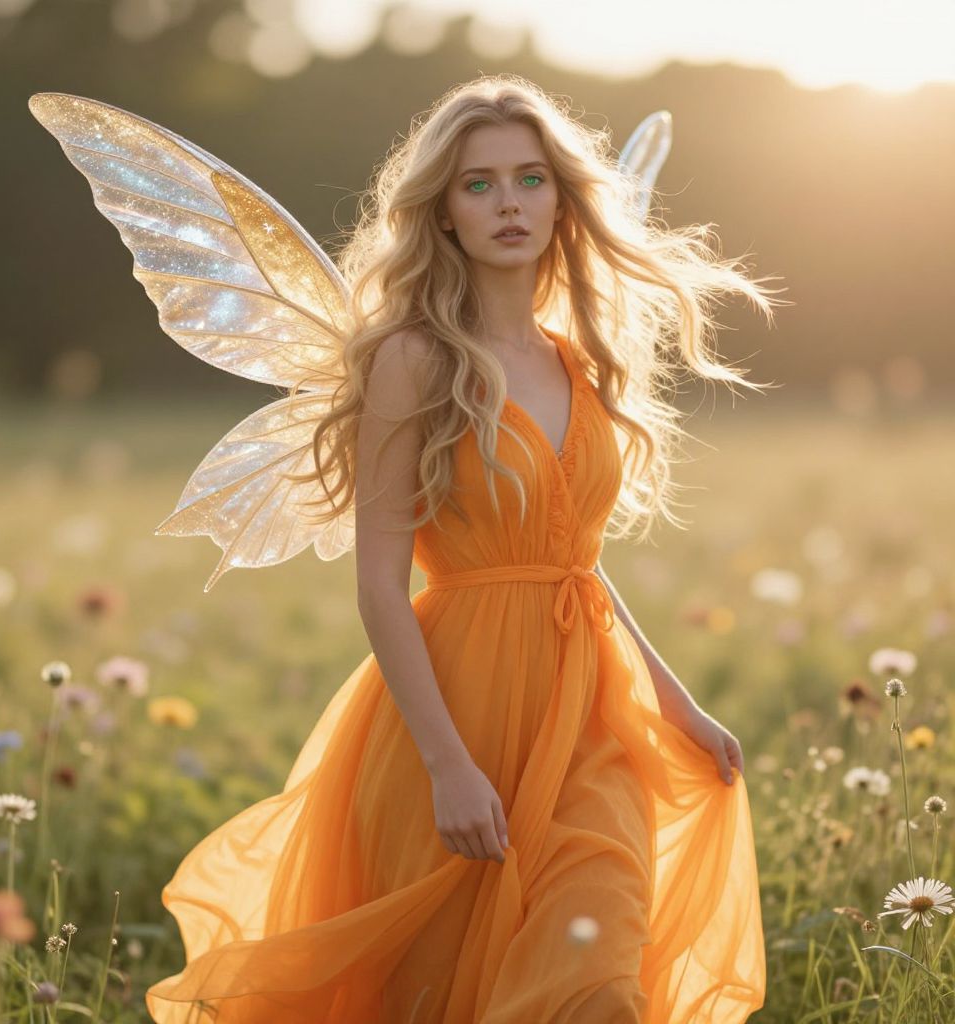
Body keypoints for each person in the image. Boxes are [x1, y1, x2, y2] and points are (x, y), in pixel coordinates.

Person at [141, 74, 783, 1023]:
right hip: (459, 707)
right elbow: (378, 586)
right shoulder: (411, 359)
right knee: (439, 986)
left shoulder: (579, 359)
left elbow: (575, 560)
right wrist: (447, 764)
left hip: (591, 707)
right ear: (441, 210)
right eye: (478, 184)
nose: (509, 203)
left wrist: (677, 702)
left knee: (597, 976)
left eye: (530, 178)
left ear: (562, 198)